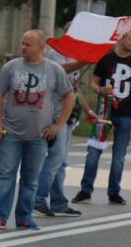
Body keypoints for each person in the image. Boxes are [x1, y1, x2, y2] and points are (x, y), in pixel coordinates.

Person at [0, 30, 74, 231]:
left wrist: (59, 125)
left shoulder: (54, 70)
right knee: (5, 175)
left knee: (30, 178)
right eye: (22, 43)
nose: (23, 47)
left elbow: (69, 96)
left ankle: (24, 217)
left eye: (28, 44)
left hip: (39, 136)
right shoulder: (11, 67)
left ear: (40, 47)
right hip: (11, 134)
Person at [33, 22, 95, 218]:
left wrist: (88, 110)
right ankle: (38, 200)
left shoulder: (76, 56)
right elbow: (63, 70)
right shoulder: (56, 54)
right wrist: (85, 60)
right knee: (55, 159)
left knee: (62, 162)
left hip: (68, 115)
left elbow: (73, 88)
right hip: (54, 115)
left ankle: (59, 203)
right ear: (67, 34)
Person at [71, 29, 131, 206]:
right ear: (121, 38)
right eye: (130, 38)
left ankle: (114, 192)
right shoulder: (107, 59)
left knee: (119, 157)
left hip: (127, 114)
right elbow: (94, 82)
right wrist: (100, 90)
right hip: (104, 112)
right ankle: (85, 191)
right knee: (93, 154)